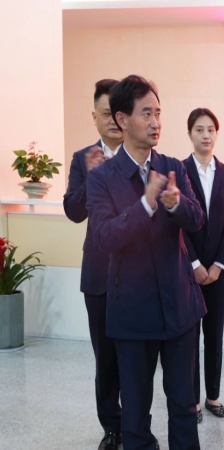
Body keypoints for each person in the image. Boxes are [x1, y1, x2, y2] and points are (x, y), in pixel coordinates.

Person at [86, 75, 206, 450]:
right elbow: (105, 237)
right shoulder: (102, 177)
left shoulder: (172, 167)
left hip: (179, 305)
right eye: (146, 114)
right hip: (132, 311)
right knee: (136, 414)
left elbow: (197, 219)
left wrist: (176, 203)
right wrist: (145, 205)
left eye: (158, 113)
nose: (156, 123)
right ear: (122, 119)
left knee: (184, 406)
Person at [64, 79, 124, 450]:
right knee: (105, 357)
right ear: (95, 117)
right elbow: (73, 212)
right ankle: (112, 428)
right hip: (99, 274)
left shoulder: (143, 155)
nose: (114, 121)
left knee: (135, 356)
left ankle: (136, 424)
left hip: (138, 274)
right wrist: (93, 177)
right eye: (106, 114)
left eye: (119, 114)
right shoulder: (82, 159)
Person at [181, 108, 224, 423]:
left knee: (214, 334)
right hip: (187, 270)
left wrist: (217, 265)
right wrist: (194, 263)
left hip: (219, 270)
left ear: (217, 134)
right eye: (199, 130)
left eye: (210, 130)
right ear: (190, 134)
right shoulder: (179, 171)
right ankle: (192, 402)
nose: (206, 135)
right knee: (190, 338)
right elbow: (177, 223)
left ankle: (212, 396)